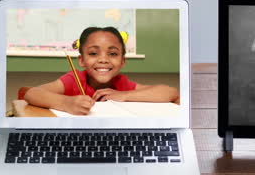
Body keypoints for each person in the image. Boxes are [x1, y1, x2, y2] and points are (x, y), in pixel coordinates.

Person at [24, 26, 179, 115]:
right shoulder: (74, 79)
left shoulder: (120, 83)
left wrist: (125, 95)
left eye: (112, 54)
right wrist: (66, 103)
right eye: (93, 53)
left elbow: (170, 92)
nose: (103, 59)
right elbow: (31, 93)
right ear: (82, 60)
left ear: (123, 61)